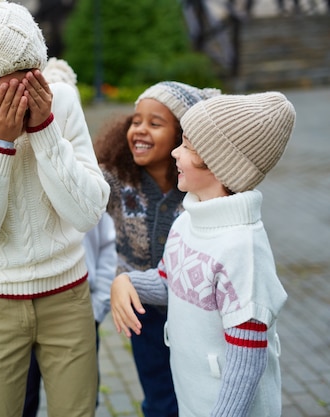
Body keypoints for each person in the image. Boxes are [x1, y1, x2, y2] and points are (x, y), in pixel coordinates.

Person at [0, 1, 110, 416]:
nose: (22, 95)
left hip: (67, 296)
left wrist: (45, 131)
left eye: (29, 78)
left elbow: (87, 213)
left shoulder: (60, 101)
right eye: (4, 87)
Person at [110, 92, 295, 416]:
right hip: (192, 400)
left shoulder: (243, 251)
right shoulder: (186, 222)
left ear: (219, 162)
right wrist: (128, 282)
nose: (176, 153)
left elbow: (246, 365)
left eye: (187, 146)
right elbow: (172, 282)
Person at [94, 81, 220, 417]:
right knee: (159, 398)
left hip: (195, 313)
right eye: (136, 121)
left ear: (182, 135)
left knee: (198, 395)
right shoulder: (118, 180)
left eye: (155, 123)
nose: (139, 130)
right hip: (144, 313)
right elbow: (78, 185)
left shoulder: (199, 188)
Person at [22, 58, 117, 417]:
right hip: (25, 303)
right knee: (23, 398)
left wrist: (97, 306)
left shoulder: (91, 178)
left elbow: (108, 246)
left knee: (79, 400)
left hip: (78, 307)